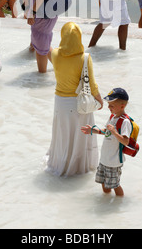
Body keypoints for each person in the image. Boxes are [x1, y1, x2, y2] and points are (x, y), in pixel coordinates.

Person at [46, 22, 103, 177]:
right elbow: (92, 84)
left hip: (60, 103)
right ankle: (78, 169)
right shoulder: (85, 58)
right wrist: (100, 100)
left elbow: (43, 45)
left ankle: (60, 164)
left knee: (63, 134)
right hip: (79, 103)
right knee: (80, 135)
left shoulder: (55, 54)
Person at [81, 88, 131, 197]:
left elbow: (126, 141)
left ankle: (119, 202)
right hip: (104, 159)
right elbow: (107, 132)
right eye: (108, 105)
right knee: (103, 183)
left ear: (122, 106)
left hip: (114, 161)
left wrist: (114, 132)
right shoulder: (113, 117)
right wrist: (93, 131)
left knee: (115, 185)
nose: (108, 107)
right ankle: (106, 201)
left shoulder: (125, 121)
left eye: (111, 105)